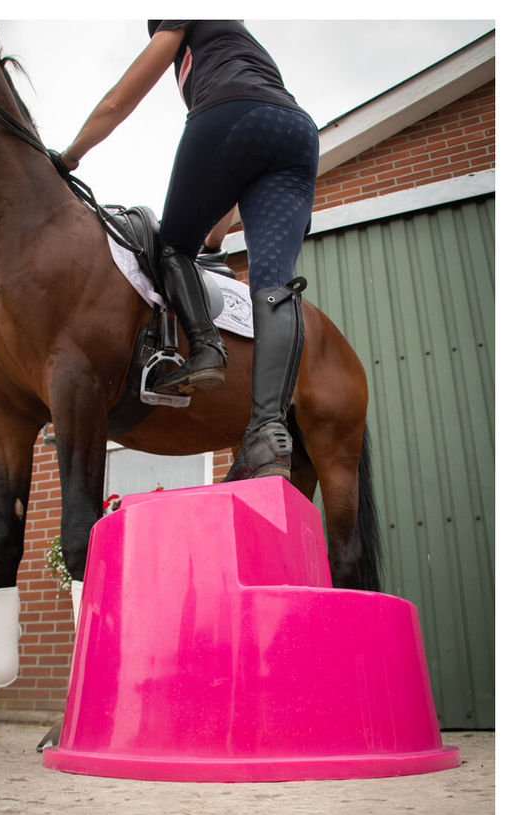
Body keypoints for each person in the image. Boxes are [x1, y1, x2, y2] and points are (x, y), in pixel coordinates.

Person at [62, 20, 319, 480]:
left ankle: (206, 349)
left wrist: (69, 157)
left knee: (172, 247)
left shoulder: (184, 23)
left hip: (232, 115)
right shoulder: (241, 46)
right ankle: (267, 431)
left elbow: (121, 99)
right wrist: (216, 243)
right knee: (275, 287)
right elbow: (240, 169)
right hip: (296, 133)